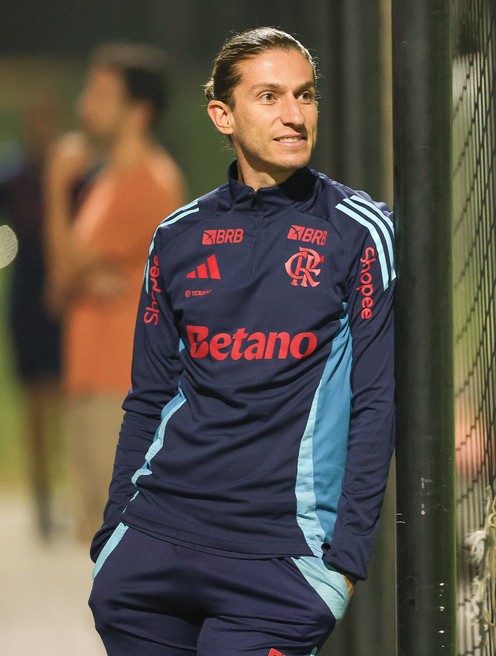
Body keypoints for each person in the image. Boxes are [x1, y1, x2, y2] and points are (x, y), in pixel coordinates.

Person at [88, 27, 396, 655]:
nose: (293, 115)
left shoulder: (360, 231)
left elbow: (377, 401)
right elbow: (148, 396)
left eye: (305, 96)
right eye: (269, 97)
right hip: (153, 547)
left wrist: (346, 559)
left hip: (277, 564)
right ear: (222, 115)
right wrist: (114, 531)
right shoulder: (176, 237)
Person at [44, 43, 186, 544]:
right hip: (91, 376)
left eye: (102, 94)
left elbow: (62, 268)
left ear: (138, 112)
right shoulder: (107, 181)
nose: (86, 104)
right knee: (100, 539)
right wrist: (84, 274)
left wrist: (55, 186)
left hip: (118, 384)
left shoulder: (147, 182)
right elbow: (62, 285)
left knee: (121, 543)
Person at [0, 89, 65, 542]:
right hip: (27, 289)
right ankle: (42, 493)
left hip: (61, 292)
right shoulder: (14, 175)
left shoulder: (72, 175)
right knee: (34, 397)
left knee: (63, 393)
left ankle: (65, 485)